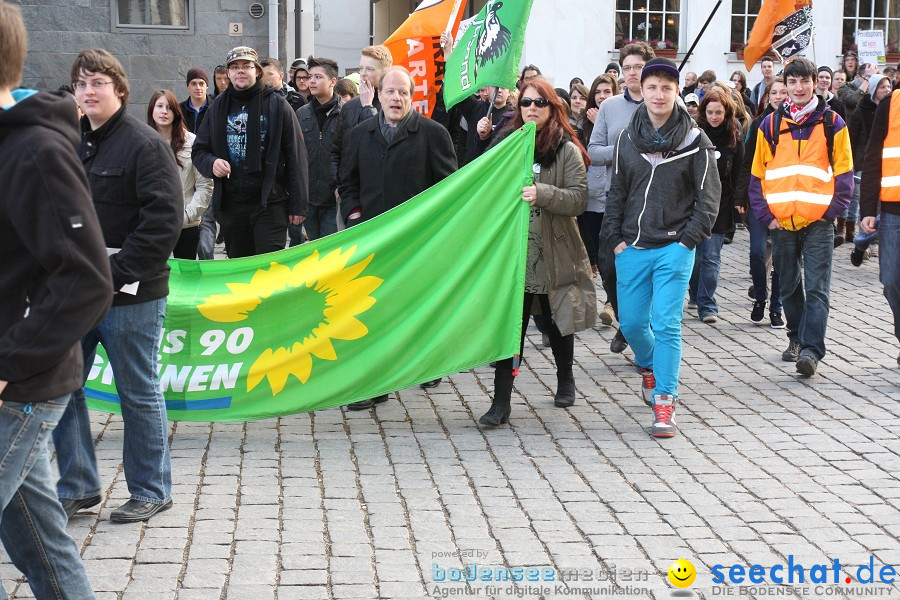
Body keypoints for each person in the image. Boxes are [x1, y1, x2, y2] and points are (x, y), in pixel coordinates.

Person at [0, 4, 111, 595]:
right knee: (38, 541)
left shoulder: (36, 150)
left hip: (20, 385)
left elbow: (87, 277)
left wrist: (8, 365)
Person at [54, 48, 183, 523]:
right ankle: (80, 486)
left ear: (120, 90)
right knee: (62, 385)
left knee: (137, 390)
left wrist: (110, 276)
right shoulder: (69, 141)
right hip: (76, 293)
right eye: (82, 84)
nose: (89, 92)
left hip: (132, 296)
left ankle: (151, 489)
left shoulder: (144, 145)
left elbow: (162, 224)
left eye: (98, 84)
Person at [603, 57, 720, 438]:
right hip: (632, 246)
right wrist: (615, 240)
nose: (658, 94)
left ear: (676, 93)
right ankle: (651, 365)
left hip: (674, 247)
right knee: (634, 324)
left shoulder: (694, 140)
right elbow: (617, 191)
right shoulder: (626, 137)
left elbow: (708, 199)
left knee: (667, 324)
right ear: (642, 89)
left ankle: (665, 401)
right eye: (652, 87)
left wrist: (687, 241)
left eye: (666, 88)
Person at [339, 66, 457, 408]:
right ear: (378, 95)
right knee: (374, 310)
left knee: (416, 307)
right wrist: (355, 216)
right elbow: (348, 184)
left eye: (403, 92)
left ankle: (426, 362)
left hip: (418, 244)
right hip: (373, 241)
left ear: (412, 96)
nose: (396, 98)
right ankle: (376, 384)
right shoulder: (361, 134)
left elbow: (447, 189)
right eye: (390, 91)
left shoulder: (433, 134)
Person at [480, 76, 595, 426]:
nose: (531, 109)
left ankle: (566, 378)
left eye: (539, 103)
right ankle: (501, 402)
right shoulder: (508, 142)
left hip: (553, 251)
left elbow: (578, 199)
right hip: (514, 254)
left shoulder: (566, 149)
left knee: (557, 320)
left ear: (552, 108)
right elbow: (482, 181)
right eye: (526, 103)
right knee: (509, 329)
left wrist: (542, 193)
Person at [749, 57, 854, 377]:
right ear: (786, 86)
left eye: (804, 82)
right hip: (782, 223)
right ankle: (795, 337)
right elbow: (757, 176)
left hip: (819, 223)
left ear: (814, 84)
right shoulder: (770, 125)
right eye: (792, 82)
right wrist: (766, 216)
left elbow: (845, 174)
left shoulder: (832, 122)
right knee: (790, 285)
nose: (798, 88)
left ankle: (811, 350)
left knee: (818, 287)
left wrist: (831, 213)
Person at [192, 46, 309, 259]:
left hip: (270, 204)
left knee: (267, 271)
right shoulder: (217, 107)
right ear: (228, 73)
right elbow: (199, 150)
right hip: (232, 205)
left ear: (257, 71)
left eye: (246, 66)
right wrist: (212, 163)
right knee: (240, 272)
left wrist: (299, 205)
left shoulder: (278, 105)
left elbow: (296, 155)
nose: (240, 71)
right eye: (235, 67)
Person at [589, 41, 656, 354]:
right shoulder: (609, 107)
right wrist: (623, 150)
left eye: (638, 67)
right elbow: (594, 151)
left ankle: (634, 327)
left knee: (642, 271)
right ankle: (628, 321)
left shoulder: (665, 103)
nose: (632, 73)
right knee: (608, 265)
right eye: (627, 67)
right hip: (613, 199)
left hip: (651, 203)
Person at [688, 88, 744, 323]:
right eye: (710, 112)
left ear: (726, 112)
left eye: (718, 112)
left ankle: (707, 305)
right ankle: (695, 291)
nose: (713, 117)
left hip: (721, 204)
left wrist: (739, 202)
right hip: (694, 204)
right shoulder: (693, 135)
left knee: (711, 257)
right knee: (697, 258)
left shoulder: (733, 138)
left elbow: (741, 172)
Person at [735, 77, 787, 328]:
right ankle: (760, 297)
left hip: (786, 201)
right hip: (759, 197)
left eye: (783, 92)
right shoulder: (758, 124)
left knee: (779, 257)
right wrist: (740, 196)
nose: (778, 96)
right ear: (766, 97)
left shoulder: (796, 124)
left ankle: (777, 307)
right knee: (757, 252)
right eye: (773, 92)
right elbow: (747, 163)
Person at [860, 85, 900, 365]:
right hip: (893, 210)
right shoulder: (890, 104)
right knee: (891, 281)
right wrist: (867, 209)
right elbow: (873, 156)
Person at [148, 89, 213, 259]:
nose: (164, 111)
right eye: (159, 106)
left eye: (169, 107)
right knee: (152, 277)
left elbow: (205, 185)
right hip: (151, 225)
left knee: (187, 278)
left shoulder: (191, 142)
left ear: (176, 112)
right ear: (151, 110)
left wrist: (188, 215)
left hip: (186, 224)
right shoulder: (141, 142)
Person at [576, 73, 618, 316]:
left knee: (610, 257)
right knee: (594, 255)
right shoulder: (583, 124)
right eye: (599, 92)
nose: (603, 97)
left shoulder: (619, 118)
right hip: (590, 197)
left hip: (612, 198)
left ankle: (612, 302)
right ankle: (609, 298)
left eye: (607, 92)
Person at [295, 56, 342, 243]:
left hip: (334, 199)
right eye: (310, 77)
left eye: (318, 77)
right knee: (314, 248)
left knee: (328, 249)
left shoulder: (345, 112)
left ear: (333, 81)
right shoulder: (302, 113)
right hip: (307, 199)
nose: (311, 81)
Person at [331, 45, 392, 184]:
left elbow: (381, 144)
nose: (363, 73)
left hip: (378, 187)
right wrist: (337, 186)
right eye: (361, 68)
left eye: (370, 69)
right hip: (349, 189)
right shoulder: (350, 106)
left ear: (384, 72)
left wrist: (367, 107)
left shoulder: (393, 106)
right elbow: (336, 151)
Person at [843, 75, 892, 249]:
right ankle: (863, 240)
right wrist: (853, 163)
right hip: (865, 163)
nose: (886, 90)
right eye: (881, 87)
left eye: (888, 86)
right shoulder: (860, 111)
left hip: (889, 165)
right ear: (873, 90)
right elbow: (852, 140)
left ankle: (875, 240)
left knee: (881, 204)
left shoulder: (893, 109)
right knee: (865, 202)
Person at [180, 66, 211, 134]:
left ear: (207, 86)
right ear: (188, 86)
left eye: (201, 84)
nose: (198, 87)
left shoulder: (215, 107)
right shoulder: (179, 110)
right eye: (193, 84)